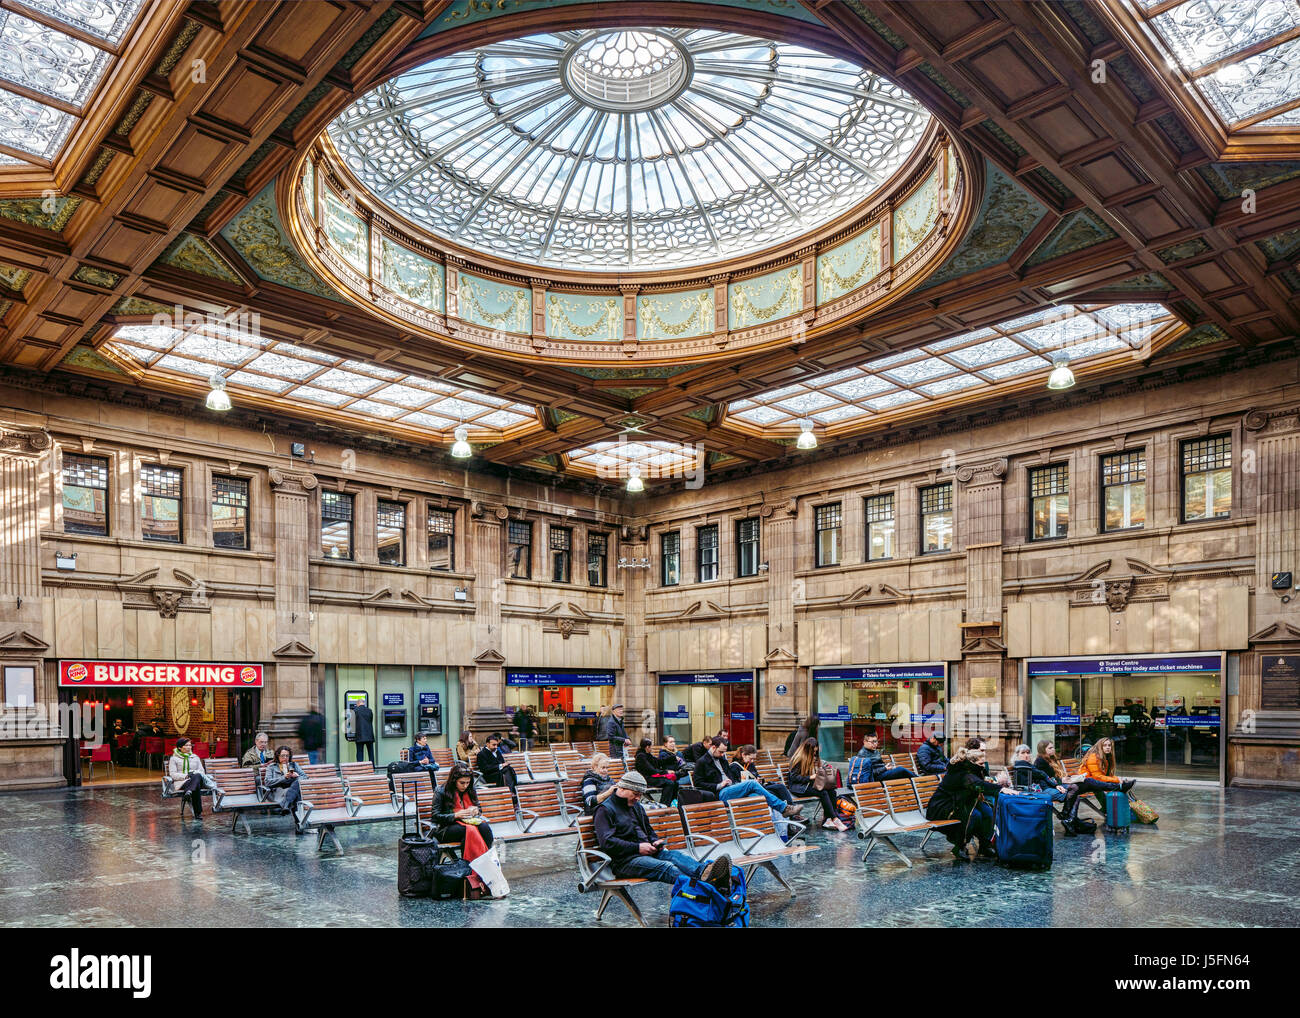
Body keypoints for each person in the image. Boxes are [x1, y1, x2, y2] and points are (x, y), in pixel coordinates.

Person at [594, 771, 732, 891]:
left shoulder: (636, 807)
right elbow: (607, 842)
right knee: (667, 867)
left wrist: (654, 841)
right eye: (635, 794)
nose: (637, 798)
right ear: (622, 788)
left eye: (640, 795)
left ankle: (706, 874)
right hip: (624, 862)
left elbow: (648, 830)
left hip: (647, 854)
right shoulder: (605, 810)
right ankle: (704, 889)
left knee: (676, 856)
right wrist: (638, 847)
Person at [925, 745, 1006, 859]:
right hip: (943, 806)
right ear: (972, 763)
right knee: (973, 815)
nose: (983, 766)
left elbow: (977, 785)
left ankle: (985, 845)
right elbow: (977, 784)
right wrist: (1000, 788)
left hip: (961, 802)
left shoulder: (972, 770)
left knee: (988, 811)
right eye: (981, 764)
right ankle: (960, 846)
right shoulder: (961, 772)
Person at [693, 737, 803, 817]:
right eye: (721, 752)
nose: (723, 754)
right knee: (752, 784)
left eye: (724, 752)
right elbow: (698, 784)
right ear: (713, 747)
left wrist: (737, 783)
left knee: (757, 796)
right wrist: (719, 785)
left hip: (733, 789)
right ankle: (784, 808)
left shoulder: (722, 760)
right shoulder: (701, 762)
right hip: (721, 793)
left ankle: (766, 830)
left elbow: (731, 777)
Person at [431, 765, 496, 898]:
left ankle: (484, 864)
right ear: (454, 780)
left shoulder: (470, 789)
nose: (465, 786)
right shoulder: (441, 791)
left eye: (467, 782)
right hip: (446, 828)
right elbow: (435, 816)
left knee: (484, 827)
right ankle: (472, 871)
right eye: (462, 783)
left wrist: (475, 811)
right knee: (468, 830)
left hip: (467, 824)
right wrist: (456, 815)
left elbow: (479, 808)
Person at [785, 737, 846, 831]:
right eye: (813, 752)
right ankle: (835, 819)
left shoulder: (815, 758)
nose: (814, 754)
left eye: (816, 752)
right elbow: (793, 778)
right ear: (807, 750)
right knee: (822, 792)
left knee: (832, 791)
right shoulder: (799, 759)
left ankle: (829, 819)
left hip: (810, 785)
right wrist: (810, 777)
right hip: (799, 787)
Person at [1032, 739, 1089, 836]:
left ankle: (1067, 819)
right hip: (1045, 789)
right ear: (1043, 750)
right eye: (1050, 748)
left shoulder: (1050, 759)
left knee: (1075, 790)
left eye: (1053, 747)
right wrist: (1059, 783)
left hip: (1053, 786)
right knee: (1074, 794)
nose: (1053, 749)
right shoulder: (1040, 761)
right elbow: (1047, 778)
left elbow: (1054, 777)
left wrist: (1064, 780)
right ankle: (1068, 819)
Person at [167, 736, 224, 819]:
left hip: (197, 779)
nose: (189, 747)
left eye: (190, 745)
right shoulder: (174, 759)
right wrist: (186, 776)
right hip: (183, 782)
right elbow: (172, 774)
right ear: (179, 747)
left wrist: (193, 774)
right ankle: (198, 813)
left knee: (197, 776)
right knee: (195, 786)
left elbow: (201, 771)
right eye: (186, 745)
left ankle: (189, 791)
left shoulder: (195, 757)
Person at [265, 745, 306, 830]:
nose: (285, 758)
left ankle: (286, 805)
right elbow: (267, 782)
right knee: (297, 795)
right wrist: (284, 777)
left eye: (287, 756)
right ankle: (299, 823)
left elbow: (305, 777)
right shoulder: (272, 767)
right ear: (277, 756)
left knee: (297, 784)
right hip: (279, 791)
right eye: (282, 756)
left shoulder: (294, 765)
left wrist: (297, 776)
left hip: (291, 790)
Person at [634, 737, 682, 806]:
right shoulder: (641, 756)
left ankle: (672, 803)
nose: (652, 748)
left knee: (675, 783)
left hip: (652, 777)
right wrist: (666, 772)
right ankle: (664, 805)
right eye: (651, 747)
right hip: (646, 779)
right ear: (647, 747)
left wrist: (673, 758)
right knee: (669, 783)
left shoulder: (647, 755)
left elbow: (659, 762)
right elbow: (651, 770)